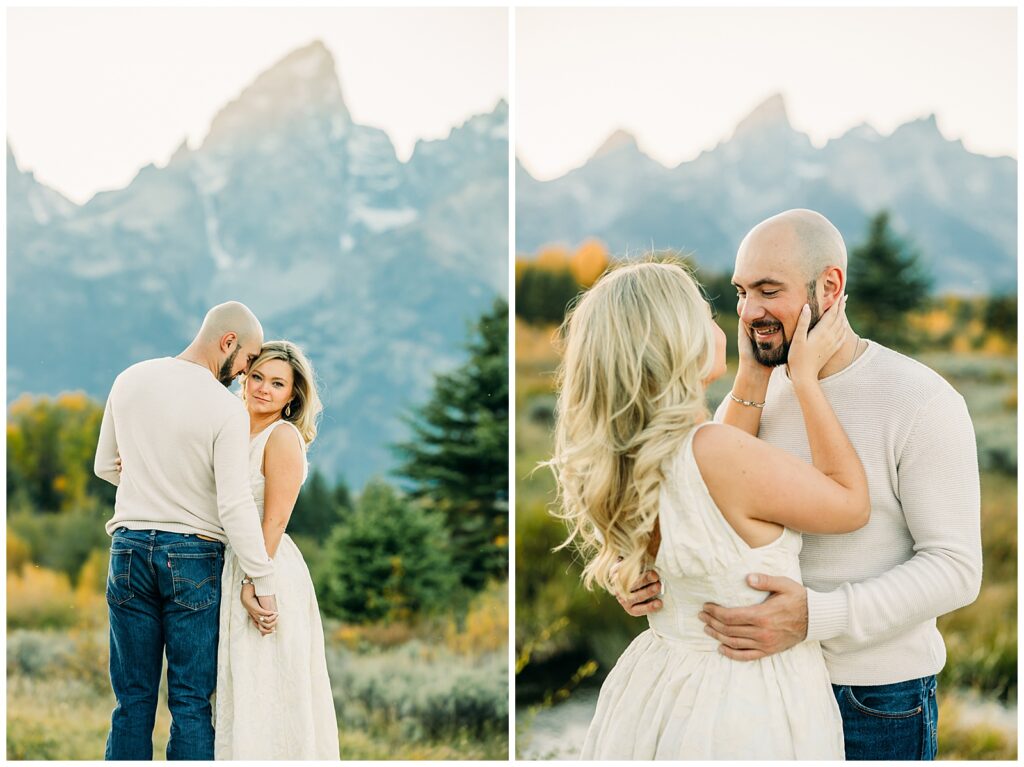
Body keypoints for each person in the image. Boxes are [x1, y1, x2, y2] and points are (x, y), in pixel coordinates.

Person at [618, 209, 982, 760]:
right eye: (741, 293)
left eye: (768, 291)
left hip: (871, 698)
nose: (748, 312)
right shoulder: (754, 390)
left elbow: (956, 569)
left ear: (829, 286)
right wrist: (646, 573)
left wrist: (815, 616)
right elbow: (701, 507)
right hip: (756, 693)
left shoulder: (920, 401)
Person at [548, 258, 870, 758]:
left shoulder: (629, 454)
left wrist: (753, 378)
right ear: (678, 340)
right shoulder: (714, 451)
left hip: (659, 684)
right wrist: (804, 380)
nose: (735, 318)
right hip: (741, 699)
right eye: (705, 314)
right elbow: (850, 504)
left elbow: (712, 489)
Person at [95, 301, 279, 760]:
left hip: (129, 549)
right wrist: (264, 580)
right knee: (191, 704)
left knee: (132, 701)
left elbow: (103, 466)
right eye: (249, 360)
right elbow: (233, 504)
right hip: (192, 557)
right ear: (228, 342)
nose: (245, 373)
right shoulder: (224, 408)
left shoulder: (129, 379)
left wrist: (150, 483)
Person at [214, 340, 340, 759]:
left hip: (266, 566)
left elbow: (275, 519)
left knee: (265, 684)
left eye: (277, 383)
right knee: (235, 685)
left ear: (292, 395)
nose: (263, 389)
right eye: (257, 377)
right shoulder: (227, 425)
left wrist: (255, 580)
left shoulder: (281, 436)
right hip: (224, 563)